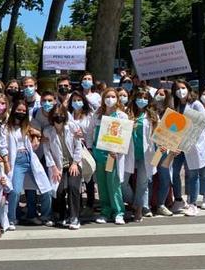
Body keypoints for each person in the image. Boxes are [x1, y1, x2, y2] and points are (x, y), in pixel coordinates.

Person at [0, 101, 53, 230]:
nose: (21, 113)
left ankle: (45, 216)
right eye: (19, 110)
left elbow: (40, 135)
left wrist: (35, 135)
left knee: (46, 188)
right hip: (16, 160)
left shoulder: (27, 127)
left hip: (30, 159)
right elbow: (3, 147)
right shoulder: (6, 128)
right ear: (14, 111)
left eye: (24, 111)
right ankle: (11, 219)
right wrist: (6, 163)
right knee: (15, 191)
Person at [169, 79, 205, 217]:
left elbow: (202, 124)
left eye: (182, 88)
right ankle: (178, 199)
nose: (180, 91)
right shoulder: (174, 105)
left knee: (193, 175)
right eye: (177, 89)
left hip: (192, 145)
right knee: (174, 173)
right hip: (178, 146)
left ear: (188, 88)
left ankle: (193, 204)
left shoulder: (196, 105)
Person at [42, 105, 84, 229]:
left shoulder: (72, 127)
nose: (58, 117)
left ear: (65, 115)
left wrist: (75, 163)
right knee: (58, 191)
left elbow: (78, 146)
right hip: (58, 166)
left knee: (73, 187)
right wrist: (53, 167)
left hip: (73, 164)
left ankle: (74, 217)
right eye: (55, 115)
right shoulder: (47, 131)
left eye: (61, 114)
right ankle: (61, 215)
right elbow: (47, 151)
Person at [92, 89, 129, 224]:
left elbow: (125, 137)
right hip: (99, 154)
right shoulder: (97, 114)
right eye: (107, 96)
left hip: (113, 155)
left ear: (117, 99)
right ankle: (105, 211)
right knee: (102, 184)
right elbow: (91, 131)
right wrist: (92, 149)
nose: (110, 99)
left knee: (113, 184)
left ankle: (118, 212)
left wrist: (117, 151)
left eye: (113, 96)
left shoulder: (121, 116)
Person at [126, 88, 158, 222]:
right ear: (134, 99)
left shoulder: (152, 116)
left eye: (145, 98)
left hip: (147, 154)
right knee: (121, 181)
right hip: (129, 153)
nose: (142, 101)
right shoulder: (127, 114)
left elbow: (160, 135)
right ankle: (136, 203)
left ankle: (139, 208)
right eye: (140, 97)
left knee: (142, 183)